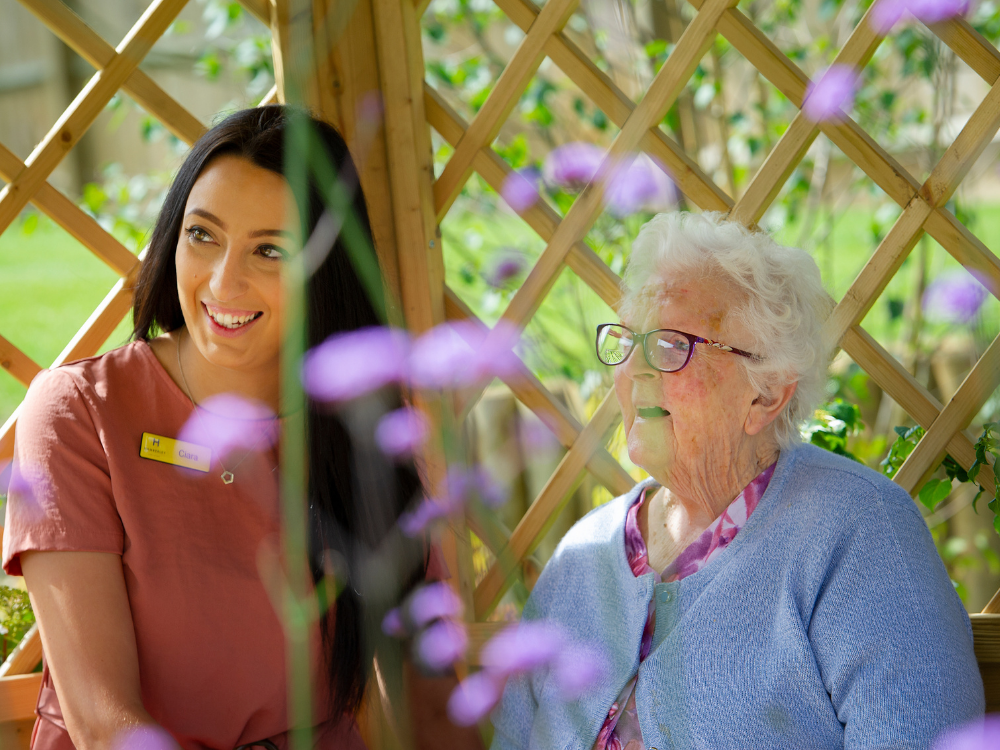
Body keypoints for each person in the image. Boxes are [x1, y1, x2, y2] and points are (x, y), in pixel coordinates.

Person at [2, 106, 427, 749]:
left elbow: (422, 696)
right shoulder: (78, 413)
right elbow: (102, 722)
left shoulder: (363, 416)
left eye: (270, 249)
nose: (224, 282)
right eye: (203, 235)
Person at [490, 211, 984, 749]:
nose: (636, 370)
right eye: (628, 340)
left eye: (674, 344)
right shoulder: (582, 555)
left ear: (766, 394)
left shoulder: (863, 536)